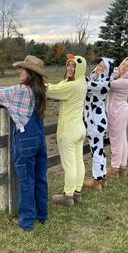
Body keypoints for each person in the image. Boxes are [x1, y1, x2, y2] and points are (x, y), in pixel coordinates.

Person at [0, 55, 48, 231]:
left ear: (30, 73)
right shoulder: (40, 90)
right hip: (39, 138)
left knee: (26, 181)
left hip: (25, 140)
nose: (19, 71)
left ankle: (27, 220)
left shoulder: (20, 91)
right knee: (40, 178)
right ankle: (42, 214)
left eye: (23, 69)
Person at [47, 54, 87, 206]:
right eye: (69, 65)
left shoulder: (71, 86)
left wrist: (35, 83)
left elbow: (51, 90)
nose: (70, 68)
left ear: (80, 69)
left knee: (69, 164)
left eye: (74, 66)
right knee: (78, 161)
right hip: (80, 128)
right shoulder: (81, 82)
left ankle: (67, 196)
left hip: (69, 130)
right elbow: (62, 85)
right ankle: (77, 192)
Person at [83, 57, 114, 191]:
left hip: (95, 122)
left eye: (103, 67)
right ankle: (102, 178)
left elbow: (85, 85)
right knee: (99, 150)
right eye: (99, 65)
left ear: (107, 71)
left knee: (96, 151)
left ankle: (96, 181)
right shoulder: (96, 80)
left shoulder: (103, 83)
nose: (100, 68)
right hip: (95, 121)